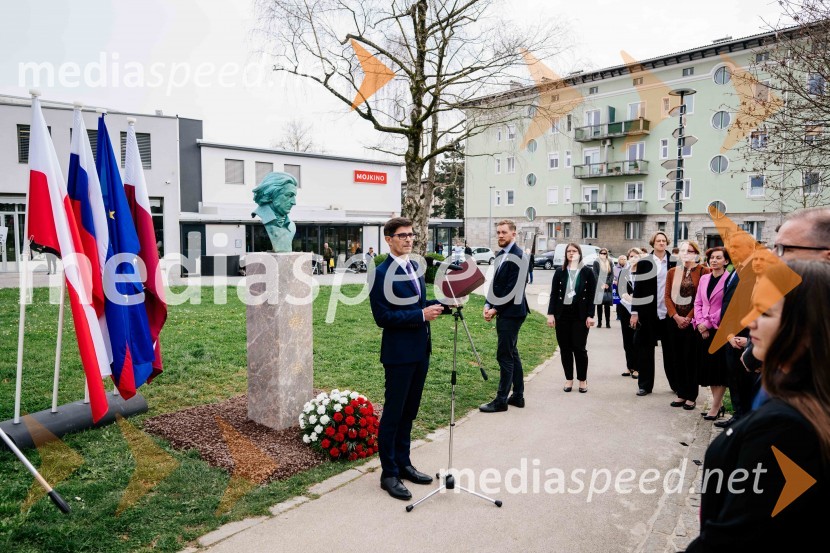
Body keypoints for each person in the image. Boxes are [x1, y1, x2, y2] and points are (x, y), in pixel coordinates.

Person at [687, 260, 830, 551]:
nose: (751, 321)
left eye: (765, 312)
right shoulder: (802, 397)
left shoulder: (784, 425)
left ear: (804, 326)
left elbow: (734, 538)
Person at [368, 217, 452, 501]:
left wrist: (444, 305)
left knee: (410, 412)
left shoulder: (415, 268)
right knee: (393, 413)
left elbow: (419, 305)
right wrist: (420, 316)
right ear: (388, 239)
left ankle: (404, 464)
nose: (408, 240)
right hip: (398, 354)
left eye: (411, 235)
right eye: (402, 235)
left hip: (421, 350)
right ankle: (388, 473)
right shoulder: (379, 273)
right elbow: (383, 317)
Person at [480, 219, 530, 412]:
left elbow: (514, 288)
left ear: (513, 234)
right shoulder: (502, 254)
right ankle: (518, 396)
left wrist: (496, 309)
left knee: (504, 356)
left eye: (504, 232)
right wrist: (487, 303)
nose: (500, 235)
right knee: (512, 353)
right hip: (505, 310)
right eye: (498, 232)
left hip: (513, 312)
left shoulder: (519, 256)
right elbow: (496, 284)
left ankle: (501, 400)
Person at [713, 229, 757, 428]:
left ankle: (743, 419)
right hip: (730, 333)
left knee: (742, 379)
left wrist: (739, 335)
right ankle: (738, 416)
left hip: (741, 335)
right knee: (734, 379)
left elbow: (749, 306)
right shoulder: (736, 269)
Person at [664, 240, 709, 411]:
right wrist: (675, 316)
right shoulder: (672, 272)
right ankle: (681, 393)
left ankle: (691, 396)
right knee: (676, 358)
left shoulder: (704, 271)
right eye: (683, 250)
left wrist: (689, 318)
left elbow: (701, 298)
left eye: (690, 251)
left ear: (696, 253)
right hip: (674, 321)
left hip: (693, 322)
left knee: (691, 359)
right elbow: (667, 296)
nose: (686, 253)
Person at [630, 231, 676, 396]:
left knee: (671, 351)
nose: (661, 243)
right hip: (648, 313)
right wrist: (634, 312)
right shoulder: (645, 263)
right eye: (658, 240)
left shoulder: (674, 262)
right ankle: (645, 385)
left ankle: (676, 384)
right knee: (645, 351)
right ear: (653, 243)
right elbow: (638, 289)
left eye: (664, 240)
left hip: (669, 314)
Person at [548, 243, 597, 393]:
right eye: (568, 251)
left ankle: (582, 380)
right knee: (565, 348)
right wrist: (551, 314)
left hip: (580, 315)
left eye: (574, 251)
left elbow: (592, 296)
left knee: (579, 348)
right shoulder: (560, 271)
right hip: (562, 315)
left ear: (579, 253)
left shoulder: (587, 272)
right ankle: (569, 379)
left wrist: (590, 315)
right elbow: (554, 294)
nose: (571, 253)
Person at [693, 246, 731, 421]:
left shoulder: (729, 280)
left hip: (719, 329)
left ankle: (715, 407)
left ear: (726, 261)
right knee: (709, 370)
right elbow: (698, 302)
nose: (714, 260)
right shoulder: (704, 278)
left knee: (719, 371)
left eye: (718, 258)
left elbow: (726, 306)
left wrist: (708, 323)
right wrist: (700, 323)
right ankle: (718, 404)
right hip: (703, 330)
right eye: (712, 258)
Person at [251, 172, 298, 252]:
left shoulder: (291, 226)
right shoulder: (263, 220)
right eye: (289, 195)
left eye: (294, 197)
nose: (294, 202)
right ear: (272, 194)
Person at [617, 248, 644, 378]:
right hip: (625, 308)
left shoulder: (644, 272)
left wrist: (636, 300)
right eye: (631, 256)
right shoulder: (624, 272)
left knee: (636, 339)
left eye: (636, 256)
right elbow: (620, 290)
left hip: (639, 310)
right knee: (627, 339)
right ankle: (630, 366)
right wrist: (627, 297)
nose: (633, 258)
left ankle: (638, 367)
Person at [592, 248, 614, 327]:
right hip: (599, 286)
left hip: (608, 286)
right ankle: (599, 322)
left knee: (607, 305)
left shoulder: (610, 262)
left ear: (606, 254)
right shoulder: (596, 262)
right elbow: (595, 274)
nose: (603, 254)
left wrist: (607, 283)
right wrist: (601, 284)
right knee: (599, 305)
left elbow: (612, 274)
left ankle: (608, 323)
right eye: (601, 253)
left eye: (605, 253)